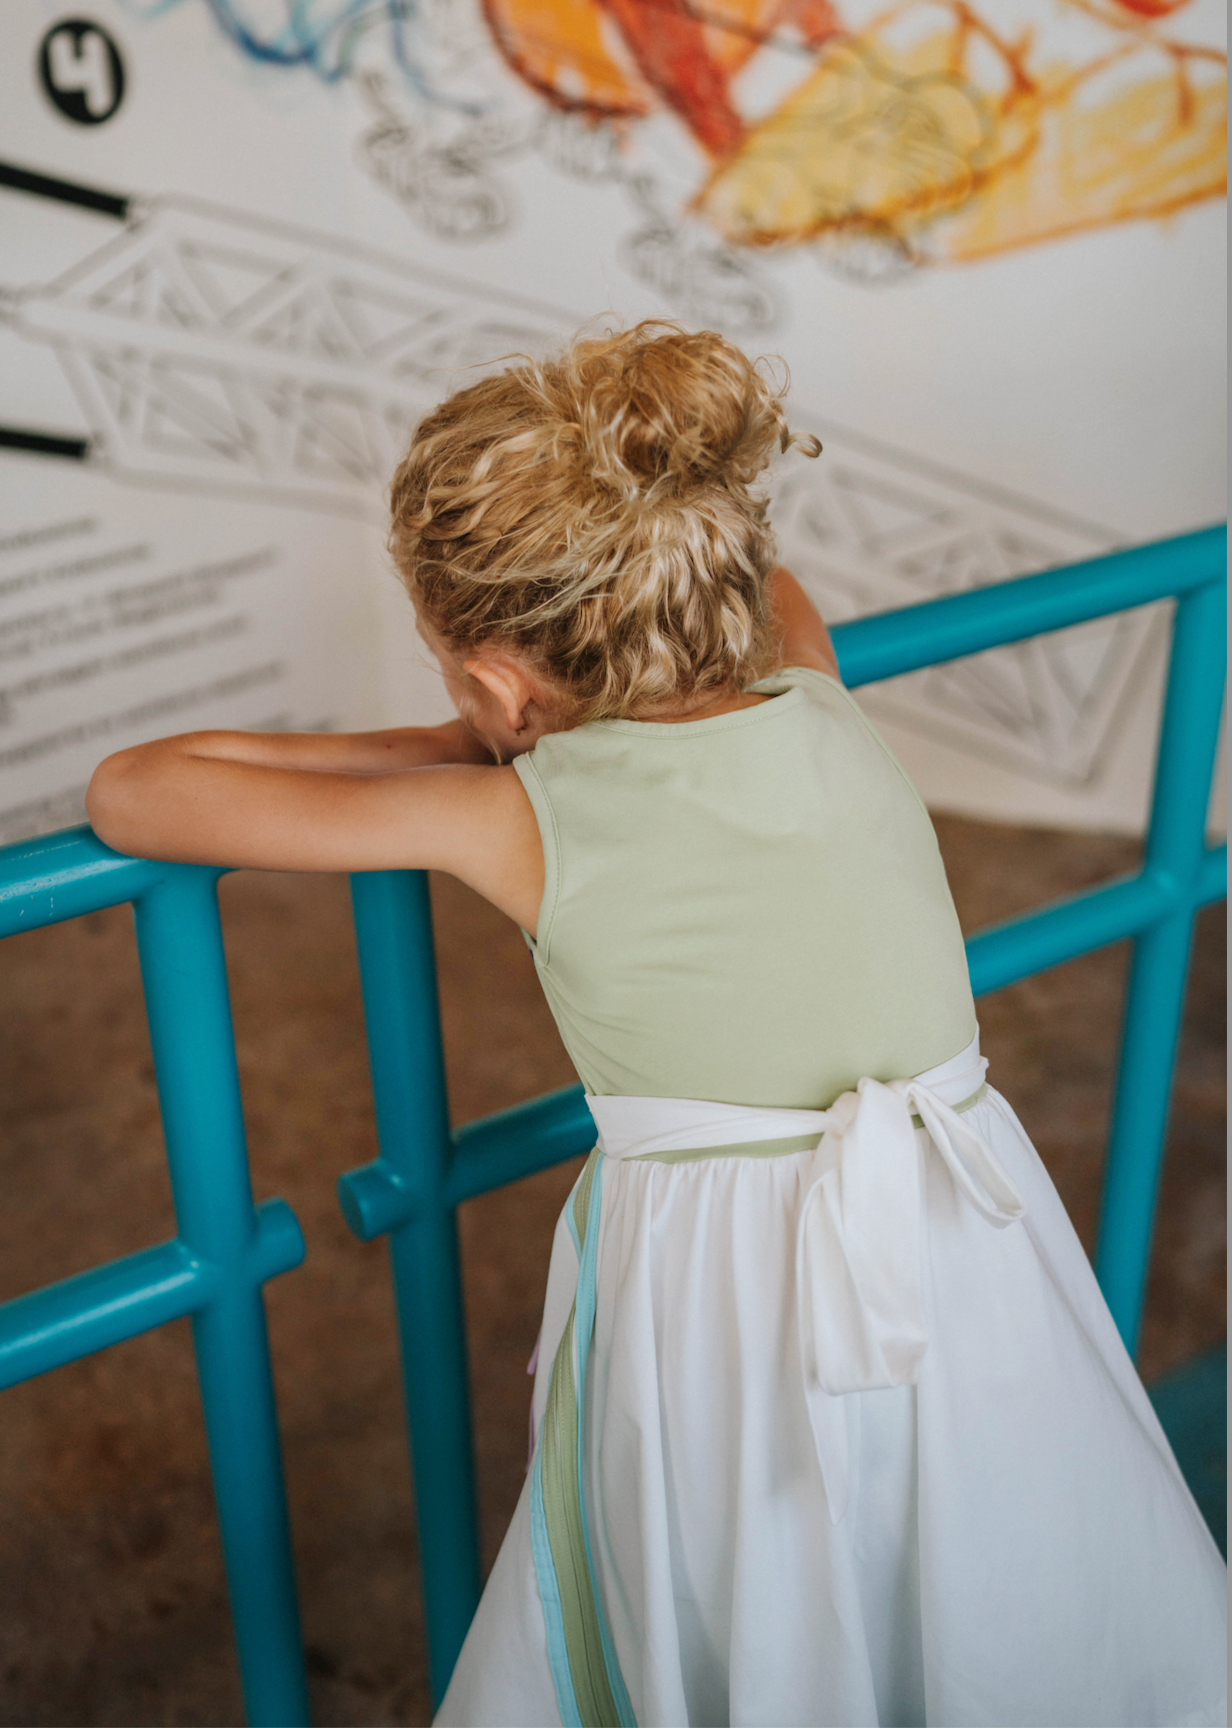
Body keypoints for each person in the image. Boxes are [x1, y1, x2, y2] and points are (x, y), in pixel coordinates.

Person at [87, 322, 1226, 1728]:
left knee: (757, 1598)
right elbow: (779, 585)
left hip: (729, 1308)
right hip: (965, 1249)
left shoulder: (510, 811)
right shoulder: (815, 689)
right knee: (970, 1555)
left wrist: (471, 743)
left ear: (502, 683)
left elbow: (137, 792)